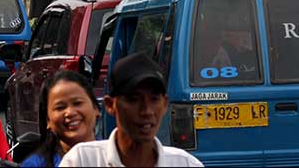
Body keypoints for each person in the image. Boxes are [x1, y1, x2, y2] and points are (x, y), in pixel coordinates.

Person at [59, 52, 202, 167]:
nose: (146, 111)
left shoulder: (186, 163)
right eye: (133, 99)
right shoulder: (83, 161)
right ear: (110, 105)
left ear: (165, 104)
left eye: (154, 99)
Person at [22, 70, 100, 168]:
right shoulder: (34, 165)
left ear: (96, 108)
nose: (70, 113)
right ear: (47, 120)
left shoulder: (116, 155)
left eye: (77, 103)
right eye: (60, 107)